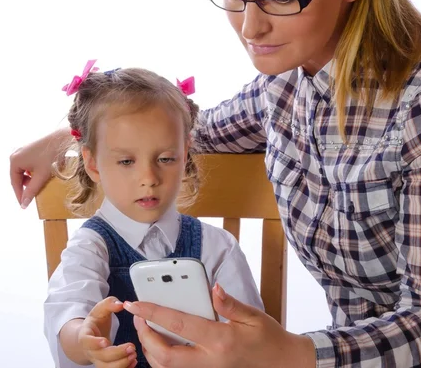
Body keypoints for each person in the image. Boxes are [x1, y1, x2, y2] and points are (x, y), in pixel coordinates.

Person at [12, 0, 421, 366]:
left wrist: (292, 355)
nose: (250, 25)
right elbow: (191, 128)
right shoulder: (287, 84)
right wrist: (73, 133)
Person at [43, 62, 263, 368]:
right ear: (93, 164)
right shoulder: (90, 247)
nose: (148, 177)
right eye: (126, 161)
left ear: (185, 154)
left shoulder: (218, 248)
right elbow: (67, 311)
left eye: (165, 158)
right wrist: (84, 338)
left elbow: (254, 345)